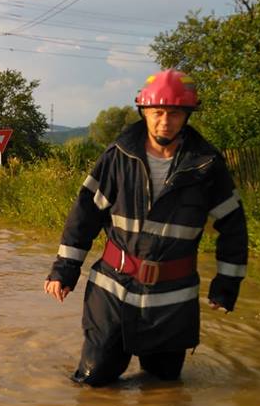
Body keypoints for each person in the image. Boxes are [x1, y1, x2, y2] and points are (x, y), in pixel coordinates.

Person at [44, 69, 248, 386]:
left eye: (174, 113)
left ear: (187, 116)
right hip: (113, 291)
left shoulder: (207, 165)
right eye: (157, 112)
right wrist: (65, 268)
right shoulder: (118, 156)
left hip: (172, 301)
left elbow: (233, 225)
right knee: (93, 382)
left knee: (164, 391)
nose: (164, 121)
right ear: (144, 112)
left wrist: (226, 285)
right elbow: (85, 213)